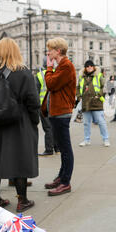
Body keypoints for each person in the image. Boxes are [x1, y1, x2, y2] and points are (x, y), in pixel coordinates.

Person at [0, 38, 40, 212]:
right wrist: (34, 120)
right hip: (19, 123)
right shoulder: (24, 73)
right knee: (19, 159)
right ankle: (22, 200)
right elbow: (33, 101)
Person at [42, 38, 77, 197]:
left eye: (50, 50)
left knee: (65, 148)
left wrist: (49, 68)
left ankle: (65, 182)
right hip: (56, 112)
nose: (48, 52)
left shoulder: (66, 66)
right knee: (62, 148)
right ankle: (61, 177)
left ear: (58, 50)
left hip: (62, 113)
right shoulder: (61, 66)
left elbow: (51, 84)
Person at [77, 60, 110, 147]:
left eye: (91, 66)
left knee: (101, 122)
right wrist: (79, 97)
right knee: (86, 123)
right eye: (87, 66)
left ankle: (106, 139)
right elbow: (78, 87)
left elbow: (105, 87)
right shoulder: (81, 77)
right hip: (85, 102)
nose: (89, 68)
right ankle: (86, 139)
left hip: (96, 102)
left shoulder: (98, 75)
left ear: (93, 67)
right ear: (85, 68)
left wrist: (99, 95)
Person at [36, 61, 59, 156]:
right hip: (56, 105)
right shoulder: (58, 73)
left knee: (48, 127)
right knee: (55, 127)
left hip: (44, 105)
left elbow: (35, 91)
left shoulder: (39, 75)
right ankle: (57, 148)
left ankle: (49, 149)